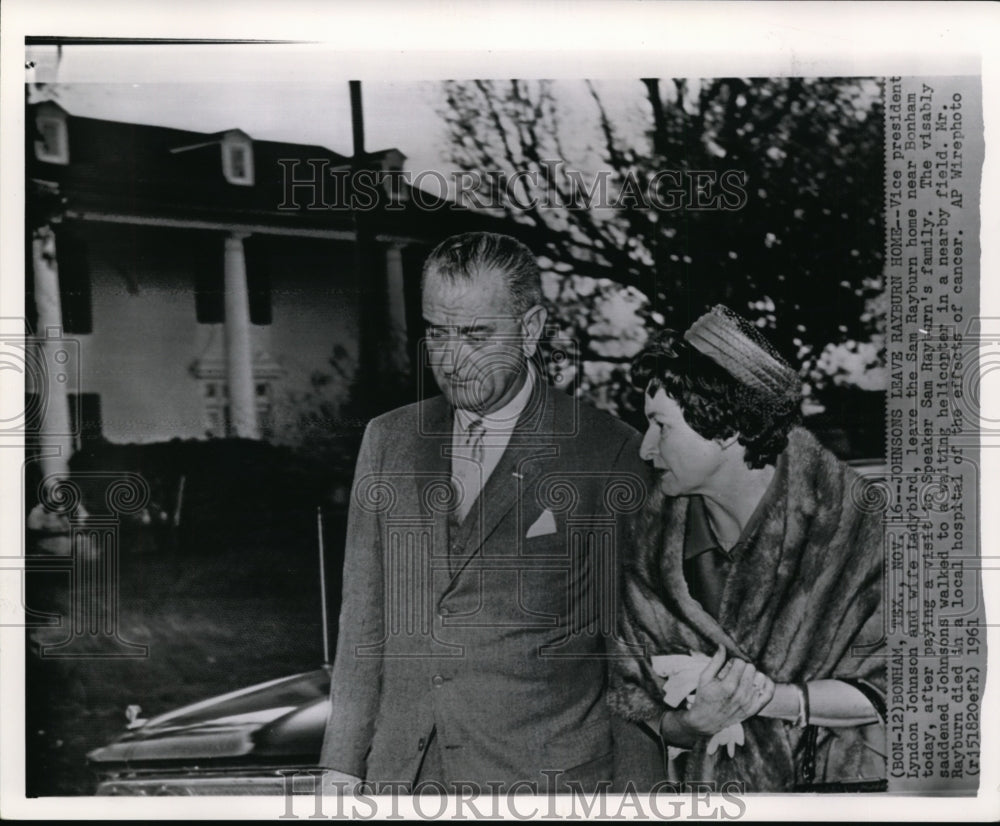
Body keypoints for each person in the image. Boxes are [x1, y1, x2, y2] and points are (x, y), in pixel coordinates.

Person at [319, 232, 649, 794]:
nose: (450, 359)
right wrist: (341, 767)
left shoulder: (609, 451)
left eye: (475, 335)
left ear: (530, 330)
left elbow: (635, 654)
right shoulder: (388, 440)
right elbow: (362, 624)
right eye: (436, 333)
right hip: (405, 784)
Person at [608, 305, 886, 792]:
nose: (646, 448)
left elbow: (901, 683)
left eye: (662, 426)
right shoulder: (648, 551)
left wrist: (765, 699)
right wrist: (694, 723)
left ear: (728, 426)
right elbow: (636, 709)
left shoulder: (855, 530)